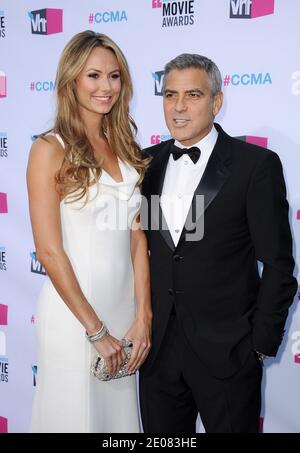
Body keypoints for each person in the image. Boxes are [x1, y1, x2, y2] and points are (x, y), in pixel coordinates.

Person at [139, 53, 297, 433]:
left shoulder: (254, 166)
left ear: (217, 102)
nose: (178, 107)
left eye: (192, 95)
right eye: (169, 94)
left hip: (229, 354)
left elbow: (278, 266)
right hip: (158, 355)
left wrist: (258, 346)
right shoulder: (145, 164)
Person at [27, 30, 152, 433]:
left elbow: (137, 236)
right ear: (71, 80)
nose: (106, 87)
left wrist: (144, 316)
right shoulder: (49, 148)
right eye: (93, 76)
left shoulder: (125, 144)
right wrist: (95, 330)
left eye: (114, 76)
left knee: (117, 423)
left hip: (124, 312)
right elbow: (48, 251)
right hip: (75, 315)